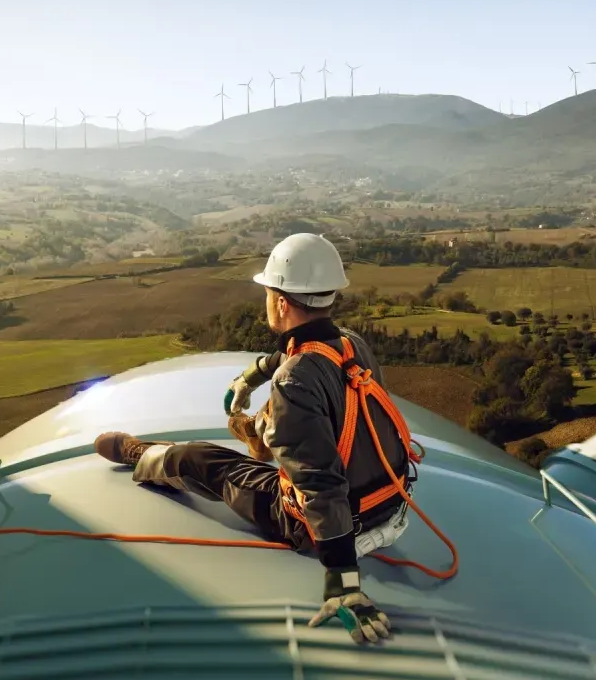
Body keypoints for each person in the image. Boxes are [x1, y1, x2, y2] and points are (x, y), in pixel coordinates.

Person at [93, 233, 414, 645]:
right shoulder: (352, 344)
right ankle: (263, 434)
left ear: (281, 302)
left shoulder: (295, 381)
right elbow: (299, 355)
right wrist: (252, 376)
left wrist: (344, 582)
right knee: (288, 424)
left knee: (200, 459)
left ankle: (142, 455)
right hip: (392, 508)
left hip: (335, 529)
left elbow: (320, 485)